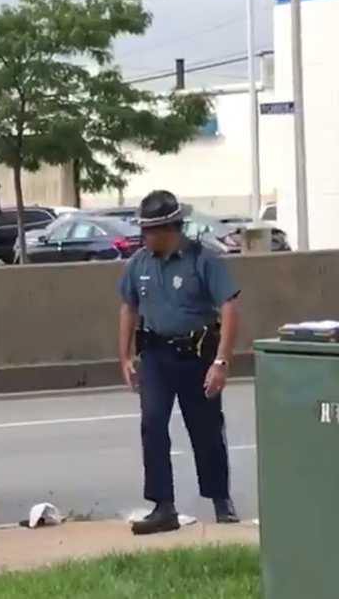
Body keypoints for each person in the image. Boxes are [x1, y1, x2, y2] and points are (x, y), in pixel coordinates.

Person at [118, 190, 242, 535]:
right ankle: (163, 505)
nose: (143, 236)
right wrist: (125, 356)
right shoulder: (139, 263)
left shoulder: (203, 260)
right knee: (153, 424)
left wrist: (221, 361)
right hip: (155, 355)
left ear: (169, 228)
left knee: (206, 429)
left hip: (197, 354)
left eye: (149, 230)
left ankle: (220, 498)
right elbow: (128, 307)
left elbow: (229, 308)